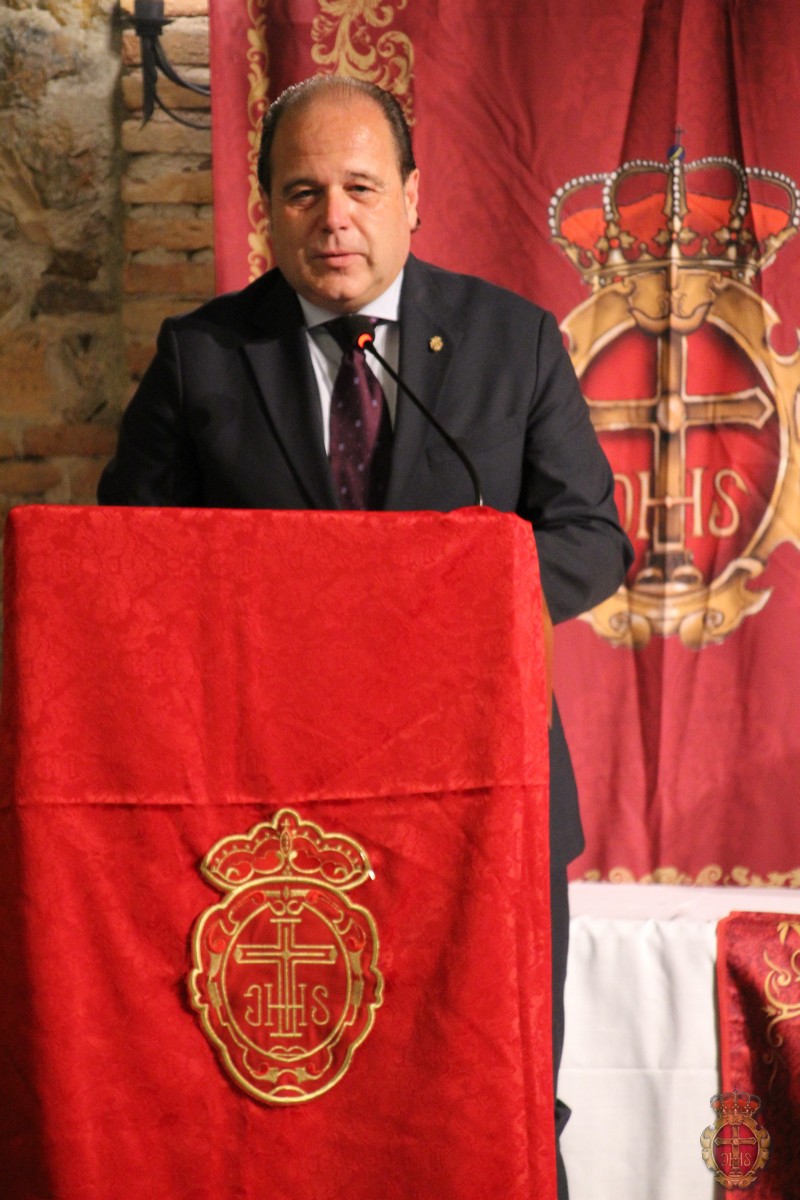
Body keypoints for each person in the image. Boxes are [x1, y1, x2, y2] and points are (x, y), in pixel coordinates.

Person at [99, 74, 633, 1196]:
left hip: (480, 785)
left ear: (412, 197)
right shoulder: (203, 355)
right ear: (268, 210)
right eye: (302, 193)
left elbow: (589, 537)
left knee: (491, 1089)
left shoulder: (513, 341)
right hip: (270, 803)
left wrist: (441, 612)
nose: (332, 218)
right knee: (306, 1108)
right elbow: (126, 566)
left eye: (358, 187)